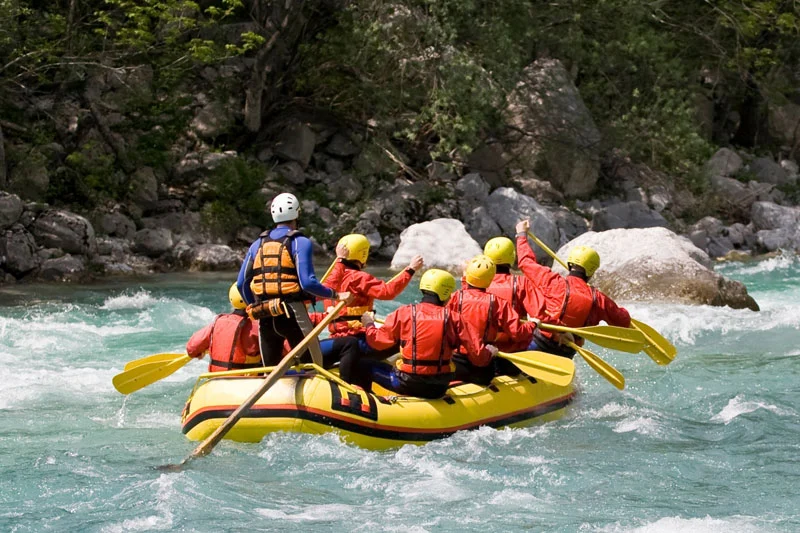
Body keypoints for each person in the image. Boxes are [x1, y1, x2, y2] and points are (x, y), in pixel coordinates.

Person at [237, 192, 349, 367]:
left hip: (265, 314)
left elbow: (241, 283)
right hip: (293, 313)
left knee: (270, 370)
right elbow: (308, 283)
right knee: (314, 366)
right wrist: (335, 295)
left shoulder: (256, 245)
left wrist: (255, 306)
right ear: (297, 214)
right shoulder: (300, 242)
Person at [358, 269, 491, 399]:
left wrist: (369, 324)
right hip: (439, 387)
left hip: (406, 383)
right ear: (445, 294)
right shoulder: (455, 319)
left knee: (362, 364)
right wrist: (490, 353)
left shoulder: (403, 313)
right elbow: (478, 356)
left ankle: (369, 402)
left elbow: (377, 342)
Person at [514, 219, 631, 357]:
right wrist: (623, 313)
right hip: (566, 352)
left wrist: (521, 234)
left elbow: (525, 262)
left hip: (538, 342)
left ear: (569, 265)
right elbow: (623, 321)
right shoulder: (598, 299)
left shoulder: (552, 281)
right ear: (591, 272)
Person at [318, 234, 424, 384]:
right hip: (357, 340)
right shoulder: (359, 277)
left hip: (336, 339)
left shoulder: (331, 279)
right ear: (363, 254)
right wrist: (410, 270)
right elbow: (387, 292)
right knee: (401, 339)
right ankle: (407, 377)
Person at [448, 255, 536, 385]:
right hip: (482, 368)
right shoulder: (498, 303)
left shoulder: (454, 298)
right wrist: (533, 324)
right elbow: (517, 333)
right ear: (490, 280)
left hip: (456, 363)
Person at [483, 236, 545, 352]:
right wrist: (559, 333)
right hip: (515, 347)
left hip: (484, 347)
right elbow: (539, 314)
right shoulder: (521, 282)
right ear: (512, 257)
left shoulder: (477, 284)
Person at [186, 284, 262, 372]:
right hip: (246, 377)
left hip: (217, 377)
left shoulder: (217, 323)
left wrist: (199, 352)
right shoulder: (256, 326)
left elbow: (191, 348)